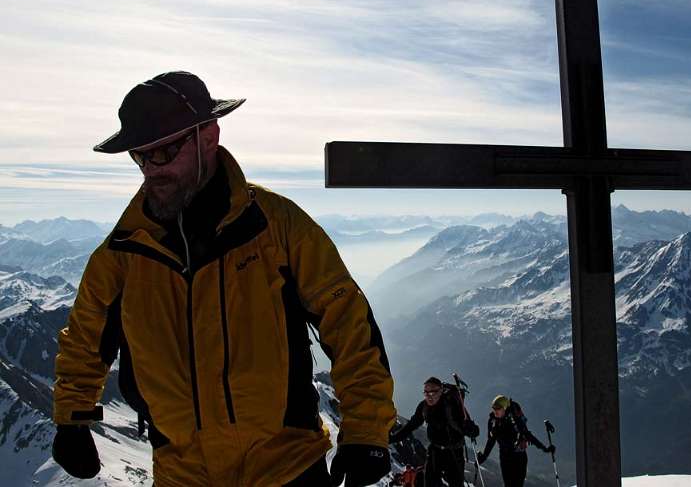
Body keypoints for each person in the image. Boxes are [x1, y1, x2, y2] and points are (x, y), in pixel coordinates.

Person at [51, 71, 396, 486]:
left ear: (208, 137)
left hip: (287, 468)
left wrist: (367, 430)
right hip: (182, 474)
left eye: (164, 152)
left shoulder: (277, 227)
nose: (151, 170)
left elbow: (349, 323)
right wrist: (72, 420)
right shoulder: (121, 255)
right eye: (140, 155)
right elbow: (84, 341)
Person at [389, 377, 479, 487]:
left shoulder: (450, 405)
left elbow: (459, 424)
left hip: (454, 451)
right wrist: (392, 439)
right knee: (430, 482)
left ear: (441, 391)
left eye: (432, 392)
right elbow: (410, 426)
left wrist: (471, 430)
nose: (429, 396)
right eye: (426, 392)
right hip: (435, 450)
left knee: (455, 483)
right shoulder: (423, 407)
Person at [476, 395, 554, 487]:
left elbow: (527, 434)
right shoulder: (493, 421)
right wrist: (483, 457)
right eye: (494, 408)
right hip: (505, 457)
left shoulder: (515, 419)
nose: (495, 411)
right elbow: (491, 441)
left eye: (498, 408)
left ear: (505, 408)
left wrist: (544, 448)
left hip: (519, 457)